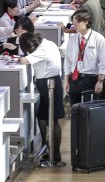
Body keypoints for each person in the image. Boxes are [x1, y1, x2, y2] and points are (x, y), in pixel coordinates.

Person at [18, 32, 64, 166]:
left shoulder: (41, 49)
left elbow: (24, 60)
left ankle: (55, 155)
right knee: (42, 116)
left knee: (52, 120)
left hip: (48, 84)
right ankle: (46, 147)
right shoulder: (49, 43)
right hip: (51, 83)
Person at [63, 9, 105, 105]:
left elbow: (103, 63)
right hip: (75, 79)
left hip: (91, 79)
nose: (74, 25)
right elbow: (68, 61)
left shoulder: (99, 39)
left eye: (77, 22)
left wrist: (100, 81)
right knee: (75, 110)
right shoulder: (73, 39)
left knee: (90, 112)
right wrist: (66, 81)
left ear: (86, 22)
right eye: (73, 22)